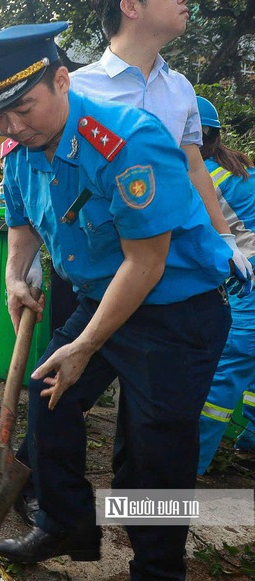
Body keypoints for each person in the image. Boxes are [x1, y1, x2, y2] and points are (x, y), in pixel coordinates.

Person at [0, 22, 232, 578]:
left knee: (155, 451)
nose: (12, 127)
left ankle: (157, 566)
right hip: (102, 293)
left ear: (62, 81)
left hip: (176, 308)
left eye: (23, 109)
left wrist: (84, 348)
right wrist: (14, 275)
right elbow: (24, 219)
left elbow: (145, 264)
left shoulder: (128, 140)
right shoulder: (22, 148)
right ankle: (65, 523)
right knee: (48, 396)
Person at [70, 0, 252, 294]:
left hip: (175, 268)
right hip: (99, 272)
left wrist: (225, 238)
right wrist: (24, 259)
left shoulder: (180, 88)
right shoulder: (76, 91)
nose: (185, 1)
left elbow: (193, 168)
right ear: (131, 6)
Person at [195, 96, 255, 474]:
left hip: (249, 287)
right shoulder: (240, 169)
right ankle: (250, 446)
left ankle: (187, 465)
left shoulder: (203, 178)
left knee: (223, 376)